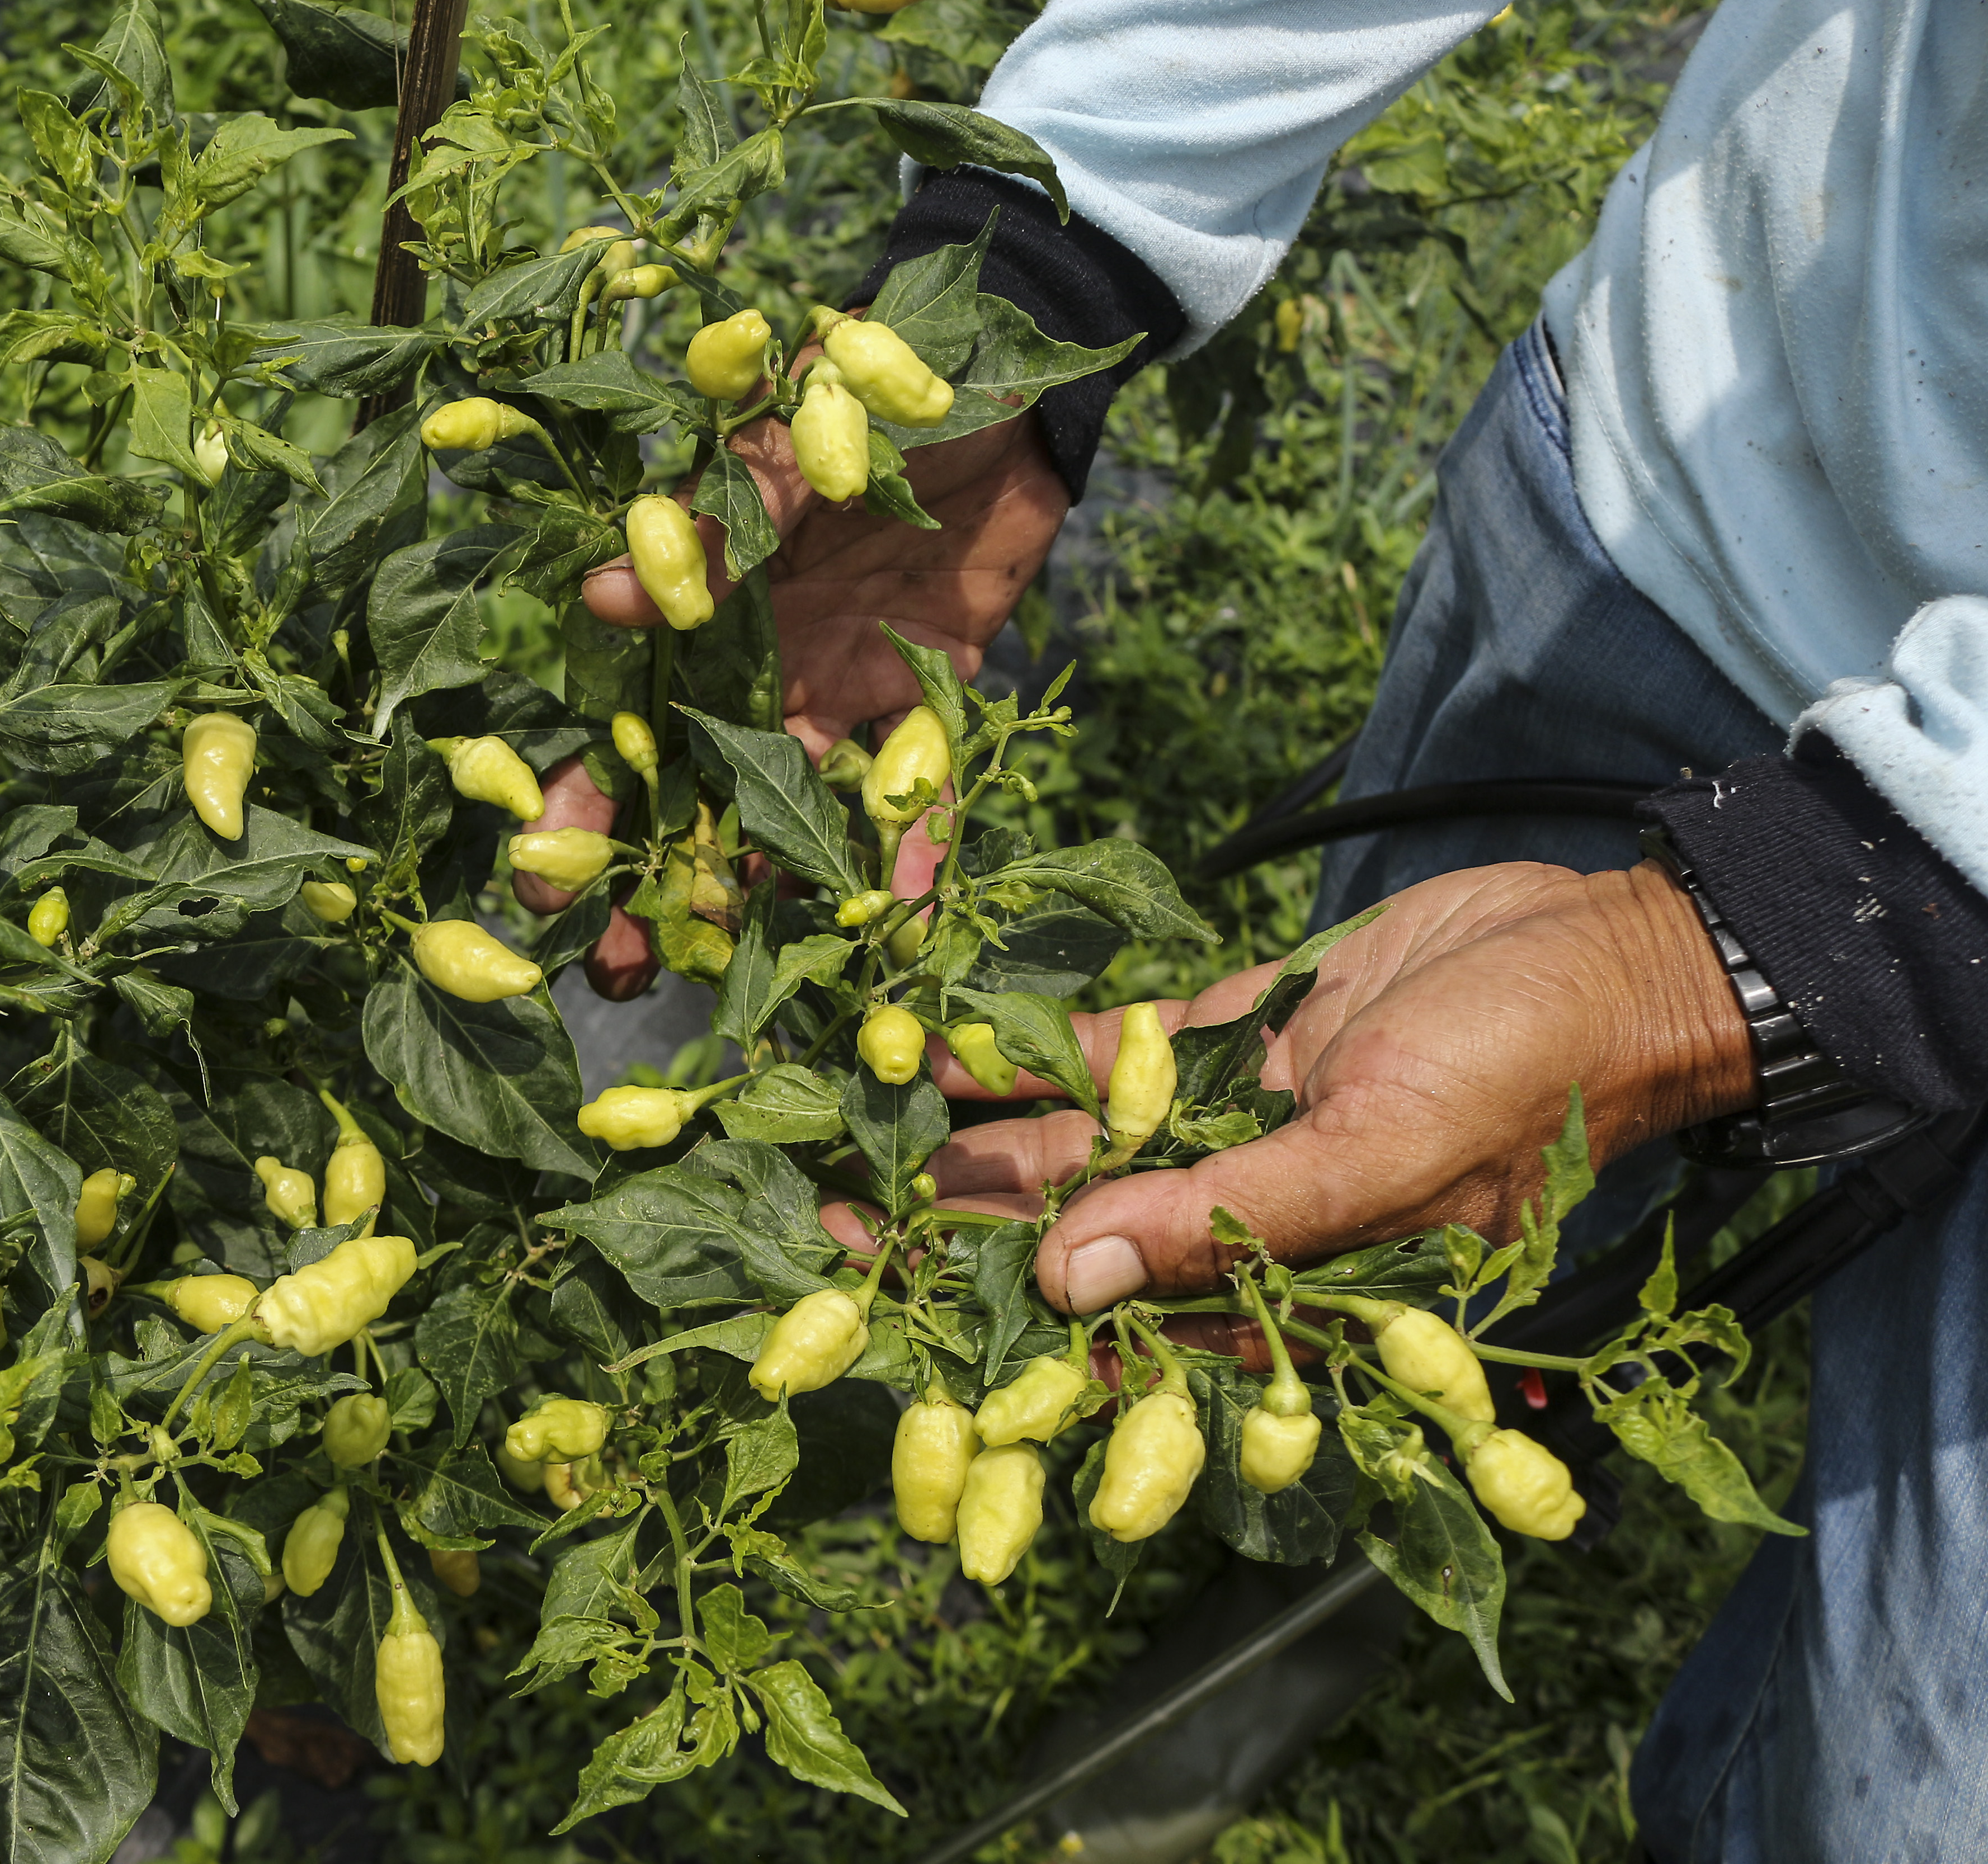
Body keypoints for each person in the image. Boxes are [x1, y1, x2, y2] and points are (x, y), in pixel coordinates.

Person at [521, 0, 1988, 1852]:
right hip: (1719, 474)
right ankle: (1262, 1649)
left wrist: (1857, 925)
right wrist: (1049, 257)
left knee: (1904, 1796)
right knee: (1380, 1220)